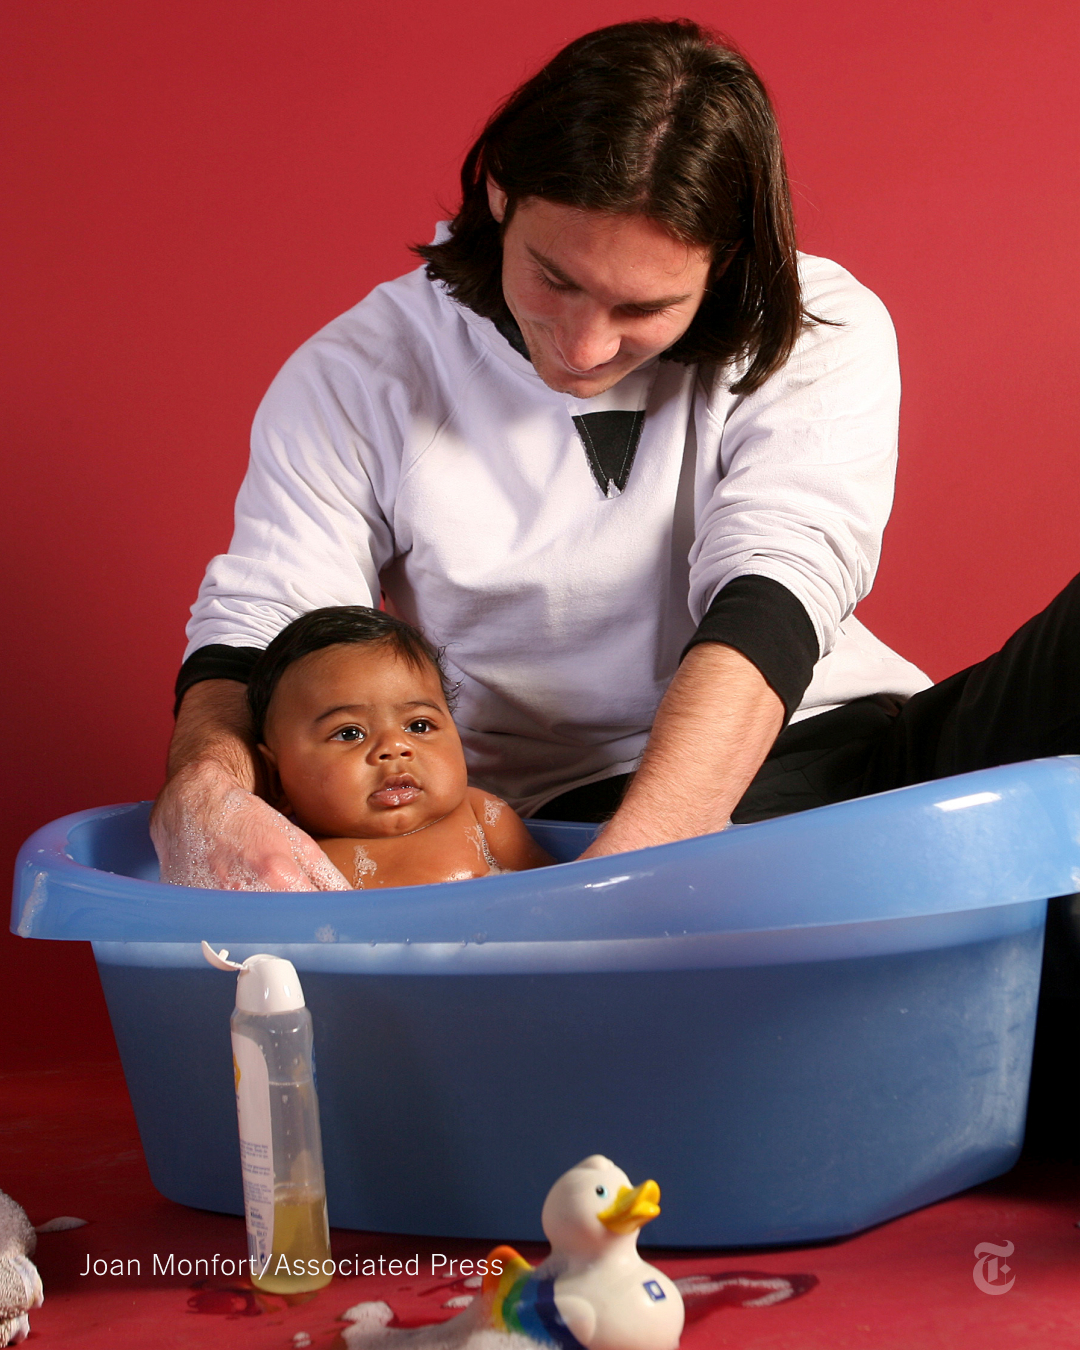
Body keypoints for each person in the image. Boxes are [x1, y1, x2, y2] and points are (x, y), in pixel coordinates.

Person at [151, 18, 1080, 899]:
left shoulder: (817, 318)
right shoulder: (361, 371)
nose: (586, 347)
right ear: (500, 194)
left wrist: (634, 880)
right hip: (589, 807)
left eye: (643, 309)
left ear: (724, 265)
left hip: (869, 749)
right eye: (555, 280)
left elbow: (777, 586)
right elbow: (269, 627)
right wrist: (206, 794)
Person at [246, 606, 553, 886]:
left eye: (419, 726)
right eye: (350, 733)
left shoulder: (483, 817)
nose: (394, 747)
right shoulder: (282, 854)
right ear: (275, 778)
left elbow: (552, 896)